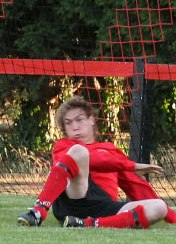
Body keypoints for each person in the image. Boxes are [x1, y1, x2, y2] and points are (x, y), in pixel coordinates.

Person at [17, 95, 176, 228]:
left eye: (79, 120)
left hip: (103, 206)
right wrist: (131, 165)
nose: (75, 127)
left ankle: (87, 224)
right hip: (73, 200)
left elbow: (136, 186)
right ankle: (39, 211)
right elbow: (95, 160)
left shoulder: (110, 150)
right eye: (68, 123)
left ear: (92, 119)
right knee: (80, 152)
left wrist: (171, 216)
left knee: (158, 207)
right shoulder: (64, 146)